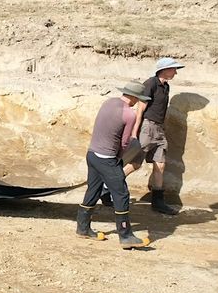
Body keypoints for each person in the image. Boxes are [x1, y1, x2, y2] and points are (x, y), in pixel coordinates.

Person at [76, 81, 152, 248]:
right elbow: (125, 142)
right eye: (138, 99)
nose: (138, 102)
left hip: (92, 154)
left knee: (93, 190)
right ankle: (125, 236)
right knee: (122, 193)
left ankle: (82, 228)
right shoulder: (129, 114)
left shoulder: (108, 102)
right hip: (107, 158)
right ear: (133, 97)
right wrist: (118, 159)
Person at [125, 57, 184, 215]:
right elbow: (140, 109)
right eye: (173, 69)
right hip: (147, 127)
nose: (176, 72)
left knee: (160, 164)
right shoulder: (150, 83)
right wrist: (134, 132)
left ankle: (158, 202)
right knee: (135, 163)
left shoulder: (166, 87)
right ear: (164, 70)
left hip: (159, 129)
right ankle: (107, 186)